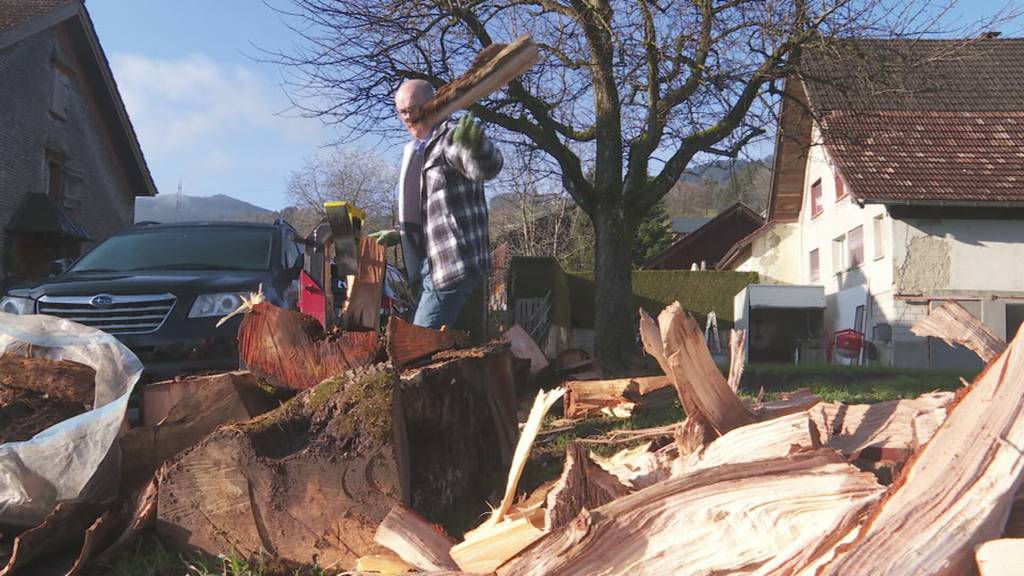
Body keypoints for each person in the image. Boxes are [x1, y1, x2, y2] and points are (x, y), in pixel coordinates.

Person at [368, 79, 503, 329]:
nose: (407, 117)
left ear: (433, 105)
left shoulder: (451, 136)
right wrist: (401, 234)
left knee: (419, 341)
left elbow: (486, 167)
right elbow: (431, 209)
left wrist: (477, 147)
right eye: (402, 112)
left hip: (452, 263)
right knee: (445, 343)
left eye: (413, 109)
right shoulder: (415, 150)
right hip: (427, 265)